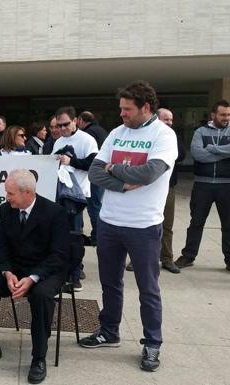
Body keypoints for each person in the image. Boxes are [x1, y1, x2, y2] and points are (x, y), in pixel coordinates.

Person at [80, 80, 177, 373]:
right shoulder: (116, 133)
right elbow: (96, 172)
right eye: (120, 108)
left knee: (148, 288)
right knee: (110, 283)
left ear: (145, 107)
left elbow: (150, 172)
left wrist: (115, 169)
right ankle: (109, 330)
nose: (121, 114)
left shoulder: (164, 135)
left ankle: (152, 343)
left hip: (144, 225)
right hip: (109, 222)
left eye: (127, 109)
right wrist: (124, 183)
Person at [0, 169, 68, 384]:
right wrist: (7, 272)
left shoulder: (55, 213)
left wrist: (33, 278)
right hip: (15, 269)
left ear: (27, 192)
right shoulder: (6, 210)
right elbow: (0, 246)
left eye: (10, 193)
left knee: (41, 295)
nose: (7, 197)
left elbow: (59, 255)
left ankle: (38, 357)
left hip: (46, 271)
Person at [127, 107, 185, 273]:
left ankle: (167, 258)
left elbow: (181, 154)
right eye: (166, 119)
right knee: (142, 224)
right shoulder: (146, 136)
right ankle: (136, 259)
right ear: (157, 119)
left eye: (171, 120)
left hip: (168, 187)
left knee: (167, 224)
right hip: (145, 188)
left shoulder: (172, 136)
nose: (170, 123)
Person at [176, 100, 230, 270]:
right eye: (223, 114)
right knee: (196, 222)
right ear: (213, 115)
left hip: (226, 185)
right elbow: (198, 155)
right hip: (202, 185)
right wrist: (223, 152)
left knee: (228, 224)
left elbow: (206, 152)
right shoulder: (200, 131)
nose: (226, 118)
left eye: (228, 115)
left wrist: (212, 148)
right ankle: (188, 256)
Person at [51, 106, 98, 291]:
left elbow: (94, 165)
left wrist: (72, 162)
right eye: (58, 125)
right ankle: (65, 272)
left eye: (65, 124)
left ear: (75, 121)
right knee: (61, 235)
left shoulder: (87, 140)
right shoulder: (58, 141)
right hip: (61, 193)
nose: (62, 129)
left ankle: (76, 275)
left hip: (77, 196)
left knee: (74, 235)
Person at [77, 111, 109, 246]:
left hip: (93, 174)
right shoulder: (102, 131)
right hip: (103, 173)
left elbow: (88, 158)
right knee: (97, 205)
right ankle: (98, 235)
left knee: (93, 206)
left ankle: (97, 236)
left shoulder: (88, 134)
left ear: (81, 120)